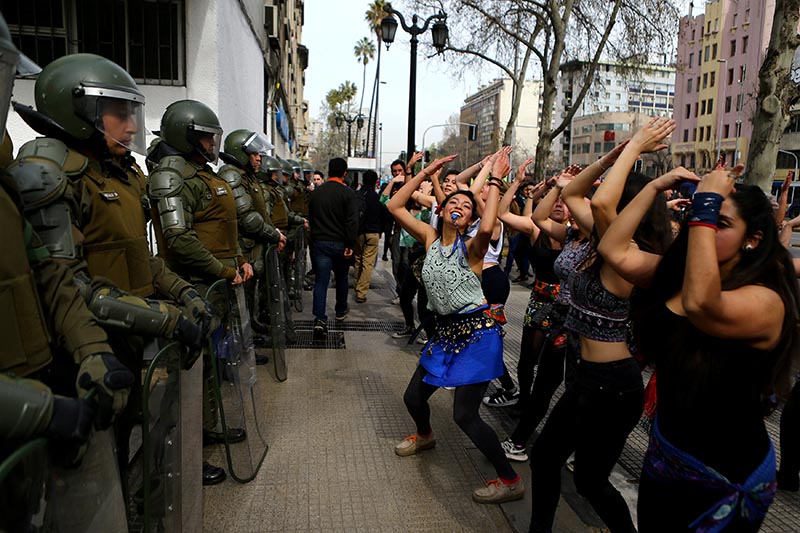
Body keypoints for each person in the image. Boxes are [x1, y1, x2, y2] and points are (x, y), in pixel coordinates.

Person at [599, 158, 800, 530]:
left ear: (753, 239)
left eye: (719, 224)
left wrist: (706, 200)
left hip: (725, 478)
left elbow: (702, 305)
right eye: (698, 217)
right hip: (665, 456)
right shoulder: (678, 275)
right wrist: (654, 187)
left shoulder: (767, 300)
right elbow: (614, 251)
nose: (700, 227)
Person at [528, 121, 674, 533]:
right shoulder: (604, 241)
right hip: (586, 377)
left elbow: (599, 205)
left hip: (613, 386)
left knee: (590, 482)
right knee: (546, 459)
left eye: (610, 195)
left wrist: (636, 151)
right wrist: (610, 159)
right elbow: (572, 194)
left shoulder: (634, 257)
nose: (596, 200)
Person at [388, 151, 525, 504]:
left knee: (465, 415)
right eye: (453, 201)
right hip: (446, 334)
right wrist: (426, 172)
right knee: (412, 397)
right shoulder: (431, 239)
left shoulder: (473, 248)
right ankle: (426, 434)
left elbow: (491, 225)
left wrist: (494, 181)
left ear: (468, 219)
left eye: (466, 204)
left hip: (479, 335)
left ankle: (509, 479)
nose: (460, 205)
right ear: (442, 210)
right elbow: (395, 206)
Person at [149, 99, 252, 485]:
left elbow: (225, 227)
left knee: (209, 366)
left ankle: (205, 431)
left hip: (217, 286)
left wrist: (238, 258)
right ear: (187, 136)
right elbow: (180, 240)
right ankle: (180, 459)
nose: (213, 145)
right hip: (192, 288)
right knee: (187, 375)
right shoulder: (173, 175)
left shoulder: (203, 174)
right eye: (207, 138)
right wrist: (223, 269)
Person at [307, 157, 359, 337]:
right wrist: (350, 243)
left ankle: (320, 318)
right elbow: (352, 221)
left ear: (328, 171)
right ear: (345, 173)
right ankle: (340, 310)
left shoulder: (316, 193)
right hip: (341, 243)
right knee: (342, 278)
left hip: (320, 243)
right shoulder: (348, 193)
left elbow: (311, 218)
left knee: (321, 280)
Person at [353, 170, 382, 303]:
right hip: (373, 232)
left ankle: (357, 285)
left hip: (358, 232)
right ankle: (361, 292)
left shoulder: (357, 195)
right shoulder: (377, 197)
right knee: (367, 263)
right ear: (376, 182)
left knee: (358, 260)